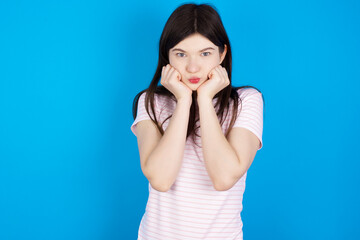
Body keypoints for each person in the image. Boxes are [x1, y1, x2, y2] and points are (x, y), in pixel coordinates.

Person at [130, 3, 264, 240]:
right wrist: (183, 101)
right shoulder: (150, 102)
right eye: (181, 54)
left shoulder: (246, 101)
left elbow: (223, 178)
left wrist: (204, 98)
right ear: (167, 57)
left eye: (205, 53)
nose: (193, 67)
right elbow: (161, 179)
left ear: (222, 53)